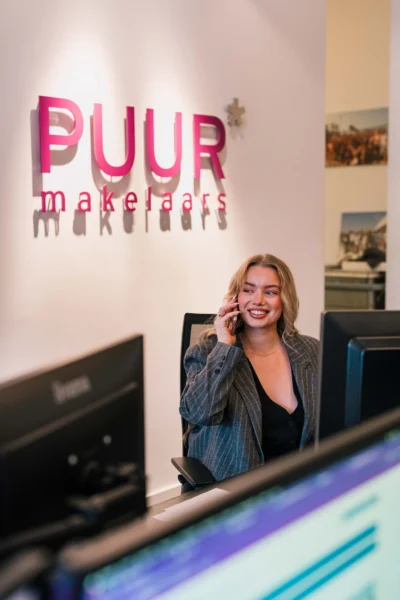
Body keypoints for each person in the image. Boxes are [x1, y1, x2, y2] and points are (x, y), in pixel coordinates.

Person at [180, 254, 319, 482]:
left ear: (284, 299)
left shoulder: (312, 350)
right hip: (239, 492)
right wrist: (225, 346)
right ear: (235, 298)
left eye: (270, 292)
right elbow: (200, 413)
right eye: (248, 290)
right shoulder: (206, 353)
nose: (258, 300)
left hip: (302, 485)